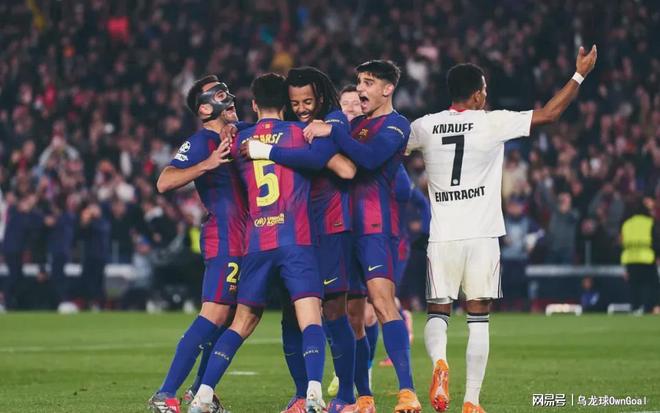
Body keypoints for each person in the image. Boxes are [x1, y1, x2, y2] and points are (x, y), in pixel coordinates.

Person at [407, 45, 597, 413]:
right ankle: (471, 401)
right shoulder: (491, 122)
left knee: (437, 312)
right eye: (484, 90)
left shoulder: (424, 126)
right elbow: (551, 113)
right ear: (478, 95)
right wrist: (580, 74)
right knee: (478, 317)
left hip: (442, 236)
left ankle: (440, 364)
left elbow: (389, 147)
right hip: (481, 237)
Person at [189, 73, 328, 413]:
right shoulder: (300, 133)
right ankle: (313, 393)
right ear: (286, 103)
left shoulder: (240, 139)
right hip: (296, 240)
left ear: (253, 104)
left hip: (257, 243)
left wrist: (234, 130)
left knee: (240, 323)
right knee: (310, 318)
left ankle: (202, 395)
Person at [306, 60, 422, 413]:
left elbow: (369, 159)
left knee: (383, 305)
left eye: (368, 82)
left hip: (374, 227)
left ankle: (407, 392)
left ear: (388, 89)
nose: (361, 89)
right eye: (359, 81)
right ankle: (363, 397)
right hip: (342, 230)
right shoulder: (353, 126)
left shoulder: (397, 125)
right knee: (353, 317)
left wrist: (332, 131)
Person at [243, 66, 358, 413]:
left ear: (320, 96)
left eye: (307, 101)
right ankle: (300, 395)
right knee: (292, 315)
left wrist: (266, 151)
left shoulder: (330, 122)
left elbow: (336, 166)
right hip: (293, 232)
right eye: (295, 103)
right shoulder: (291, 129)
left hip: (328, 227)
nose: (302, 108)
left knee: (334, 312)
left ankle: (347, 397)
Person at [148, 75, 247, 413]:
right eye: (220, 95)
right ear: (205, 109)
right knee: (214, 313)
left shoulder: (236, 134)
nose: (229, 98)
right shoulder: (202, 141)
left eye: (227, 91)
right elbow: (164, 181)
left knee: (228, 318)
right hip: (225, 237)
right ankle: (165, 393)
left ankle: (199, 391)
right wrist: (207, 164)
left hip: (245, 237)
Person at [620, 196, 660, 314]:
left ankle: (635, 308)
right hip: (646, 258)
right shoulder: (649, 222)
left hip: (630, 260)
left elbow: (622, 245)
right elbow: (656, 241)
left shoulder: (626, 224)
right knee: (652, 285)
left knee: (634, 287)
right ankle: (652, 307)